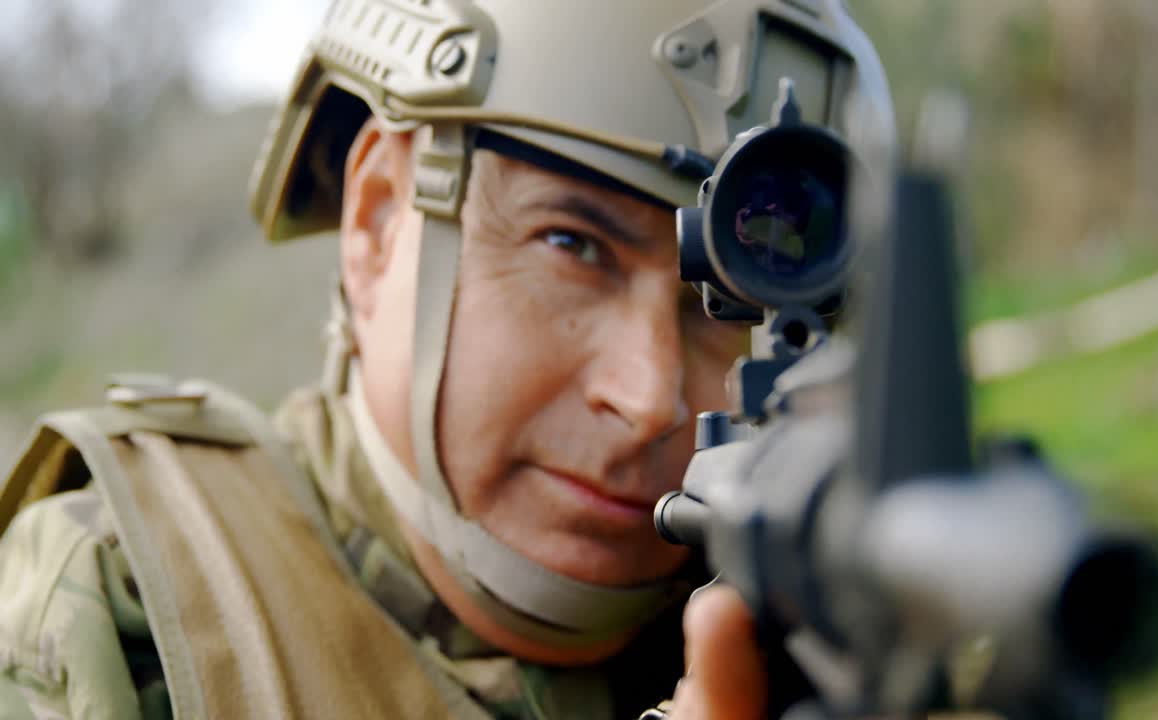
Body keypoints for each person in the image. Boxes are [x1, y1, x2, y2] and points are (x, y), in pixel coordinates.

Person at [0, 1, 894, 718]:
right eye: (574, 247)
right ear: (381, 221)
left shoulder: (819, 610)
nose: (647, 395)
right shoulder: (128, 615)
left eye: (726, 305)